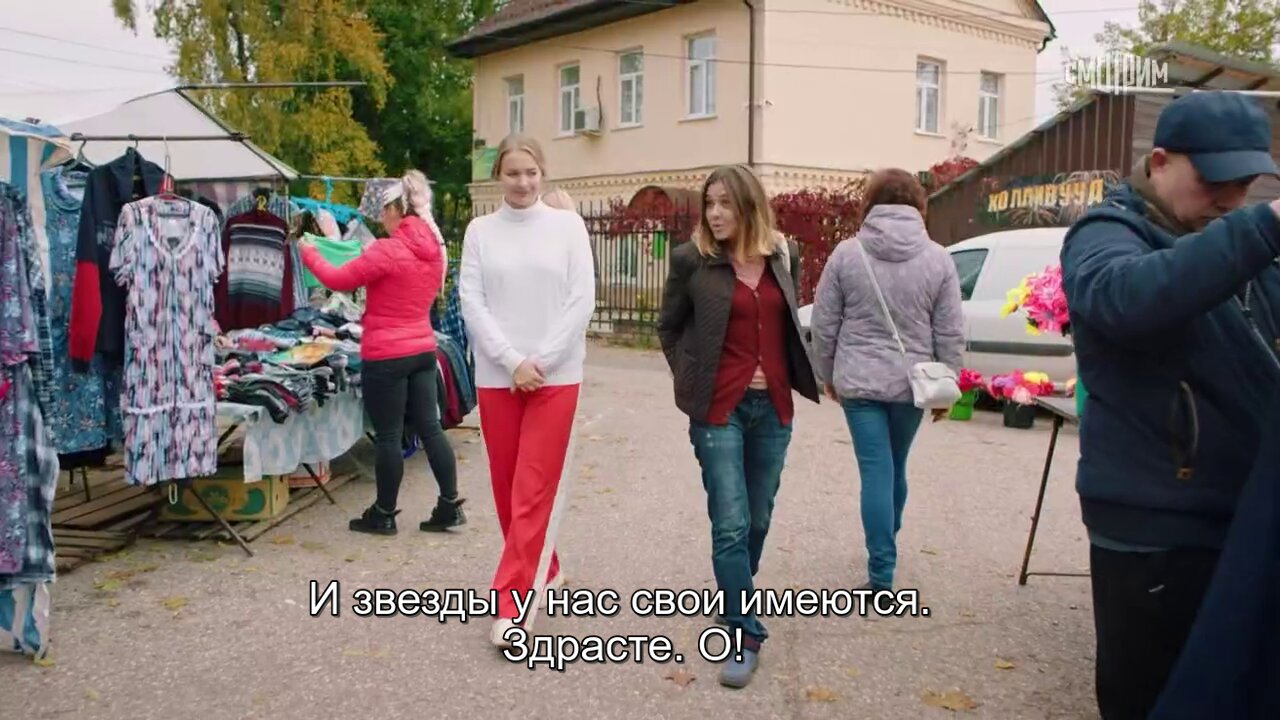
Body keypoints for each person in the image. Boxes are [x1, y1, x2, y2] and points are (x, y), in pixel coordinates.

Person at [1059, 90, 1280, 720]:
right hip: (1154, 527)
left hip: (1241, 518)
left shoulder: (1234, 244)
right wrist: (1262, 227)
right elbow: (1127, 298)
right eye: (1215, 181)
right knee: (1149, 699)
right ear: (1159, 162)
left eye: (1245, 184)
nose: (1231, 199)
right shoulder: (1104, 235)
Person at [657, 164, 819, 689]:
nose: (715, 213)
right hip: (718, 410)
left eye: (725, 203)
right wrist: (690, 378)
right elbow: (668, 327)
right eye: (710, 203)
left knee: (758, 519)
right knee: (730, 522)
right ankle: (745, 634)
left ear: (749, 206)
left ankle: (732, 598)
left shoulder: (783, 255)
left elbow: (789, 322)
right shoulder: (692, 260)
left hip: (772, 407)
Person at [458, 134, 595, 649]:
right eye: (513, 173)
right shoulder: (480, 232)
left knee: (533, 487)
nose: (523, 182)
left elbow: (582, 299)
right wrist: (512, 361)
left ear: (543, 173)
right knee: (506, 486)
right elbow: (472, 302)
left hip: (555, 377)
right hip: (499, 376)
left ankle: (512, 606)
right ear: (499, 175)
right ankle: (547, 566)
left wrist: (542, 360)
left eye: (531, 173)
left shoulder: (567, 227)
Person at [808, 168, 963, 593]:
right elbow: (950, 330)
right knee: (895, 465)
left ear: (869, 205)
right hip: (914, 384)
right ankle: (886, 545)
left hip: (859, 382)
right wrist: (948, 384)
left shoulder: (847, 254)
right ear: (919, 206)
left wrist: (827, 373)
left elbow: (824, 323)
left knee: (876, 469)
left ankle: (881, 571)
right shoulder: (939, 259)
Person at [298, 170, 463, 535]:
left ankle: (384, 513)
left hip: (386, 354)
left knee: (388, 436)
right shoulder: (434, 250)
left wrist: (309, 254)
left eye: (382, 213)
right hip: (423, 349)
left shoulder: (388, 250)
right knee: (431, 428)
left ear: (394, 210)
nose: (380, 221)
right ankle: (449, 505)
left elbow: (338, 279)